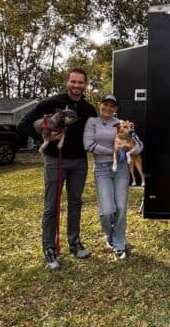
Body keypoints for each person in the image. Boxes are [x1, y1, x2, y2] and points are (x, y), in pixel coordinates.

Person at [18, 68, 97, 271]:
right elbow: (23, 124)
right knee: (51, 205)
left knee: (76, 203)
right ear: (67, 82)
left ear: (85, 85)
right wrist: (40, 140)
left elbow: (97, 133)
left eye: (81, 82)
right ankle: (49, 249)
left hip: (79, 162)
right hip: (55, 159)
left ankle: (74, 243)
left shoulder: (89, 109)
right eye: (74, 81)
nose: (77, 86)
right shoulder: (51, 103)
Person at [83, 94, 143, 260]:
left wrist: (133, 149)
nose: (108, 108)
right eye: (105, 105)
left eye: (112, 106)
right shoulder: (92, 122)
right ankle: (109, 236)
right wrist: (115, 151)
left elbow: (138, 144)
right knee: (107, 211)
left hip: (122, 170)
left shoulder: (123, 123)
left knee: (121, 208)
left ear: (116, 109)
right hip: (102, 169)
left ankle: (118, 243)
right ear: (99, 105)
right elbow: (89, 145)